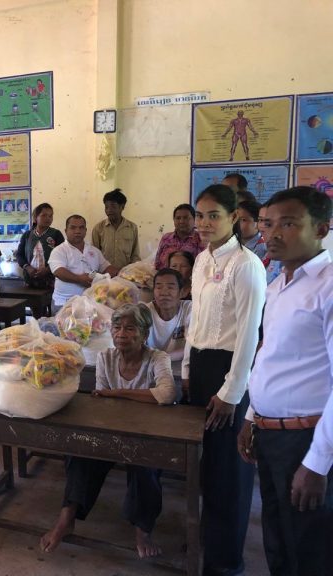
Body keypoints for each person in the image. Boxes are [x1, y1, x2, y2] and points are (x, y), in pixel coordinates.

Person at [236, 186, 333, 576]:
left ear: (322, 228)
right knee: (277, 540)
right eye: (268, 224)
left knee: (311, 549)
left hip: (308, 438)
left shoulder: (328, 286)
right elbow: (269, 357)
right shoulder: (278, 286)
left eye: (288, 224)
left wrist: (318, 463)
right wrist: (251, 417)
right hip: (270, 433)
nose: (273, 234)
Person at [40, 304, 177, 558]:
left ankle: (143, 529)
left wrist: (117, 393)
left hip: (146, 434)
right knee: (80, 453)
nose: (121, 334)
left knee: (144, 465)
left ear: (145, 334)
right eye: (117, 327)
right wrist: (123, 396)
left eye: (130, 328)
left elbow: (167, 394)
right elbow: (101, 401)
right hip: (112, 431)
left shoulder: (158, 358)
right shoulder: (106, 357)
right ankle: (66, 518)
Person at [182, 184, 266, 576]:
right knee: (207, 466)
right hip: (201, 366)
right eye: (200, 215)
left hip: (230, 371)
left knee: (230, 471)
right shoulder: (201, 260)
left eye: (213, 215)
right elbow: (195, 320)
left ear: (233, 217)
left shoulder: (247, 265)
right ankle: (208, 539)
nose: (203, 223)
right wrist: (186, 368)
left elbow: (249, 333)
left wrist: (232, 392)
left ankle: (226, 562)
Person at [49, 215, 118, 313]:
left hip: (91, 304)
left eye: (81, 228)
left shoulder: (94, 251)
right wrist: (79, 279)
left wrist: (123, 273)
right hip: (64, 304)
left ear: (85, 230)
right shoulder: (59, 250)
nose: (77, 231)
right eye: (73, 227)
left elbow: (106, 267)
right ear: (66, 231)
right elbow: (58, 271)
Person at [15, 202, 65, 289]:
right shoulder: (27, 235)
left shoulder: (56, 234)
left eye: (50, 216)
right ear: (35, 218)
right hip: (30, 280)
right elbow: (19, 255)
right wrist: (27, 267)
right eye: (44, 215)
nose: (48, 218)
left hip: (51, 282)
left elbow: (62, 256)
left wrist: (48, 269)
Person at [145, 268, 191, 362]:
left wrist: (161, 358)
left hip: (181, 367)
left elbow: (193, 347)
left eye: (170, 287)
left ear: (181, 292)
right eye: (159, 287)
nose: (164, 293)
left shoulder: (189, 309)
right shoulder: (144, 312)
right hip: (150, 366)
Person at [91, 188, 141, 270]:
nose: (109, 210)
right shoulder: (98, 228)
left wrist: (134, 271)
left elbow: (135, 255)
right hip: (104, 273)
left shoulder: (132, 228)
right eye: (106, 207)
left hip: (126, 273)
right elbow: (93, 255)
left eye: (113, 206)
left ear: (122, 207)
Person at [153, 204, 202, 270]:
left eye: (186, 218)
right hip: (165, 275)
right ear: (174, 220)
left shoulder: (201, 239)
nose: (181, 221)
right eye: (178, 218)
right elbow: (157, 264)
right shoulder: (166, 238)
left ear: (194, 219)